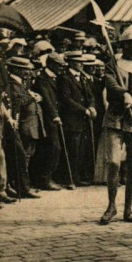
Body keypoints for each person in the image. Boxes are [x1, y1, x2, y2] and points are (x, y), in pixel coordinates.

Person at [97, 26, 132, 225]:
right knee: (113, 162)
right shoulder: (113, 63)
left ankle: (129, 208)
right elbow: (110, 85)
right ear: (125, 45)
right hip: (115, 117)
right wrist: (124, 93)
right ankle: (112, 205)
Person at [5, 56, 45, 199]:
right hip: (20, 125)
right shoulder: (11, 84)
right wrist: (32, 97)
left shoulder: (22, 83)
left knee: (26, 156)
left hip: (27, 124)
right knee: (21, 157)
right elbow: (18, 102)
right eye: (25, 70)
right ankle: (22, 187)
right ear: (16, 70)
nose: (28, 73)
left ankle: (22, 185)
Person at [57, 51, 97, 189]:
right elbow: (66, 99)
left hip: (83, 120)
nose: (82, 64)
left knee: (81, 150)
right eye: (79, 62)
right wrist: (84, 110)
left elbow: (91, 95)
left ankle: (77, 177)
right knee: (71, 150)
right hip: (71, 119)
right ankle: (68, 179)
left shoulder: (83, 78)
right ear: (72, 63)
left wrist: (91, 107)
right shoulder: (64, 78)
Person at [31, 53, 68, 191]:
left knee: (52, 148)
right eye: (59, 65)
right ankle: (44, 179)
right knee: (53, 148)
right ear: (51, 64)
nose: (61, 68)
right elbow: (46, 99)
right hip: (47, 119)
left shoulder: (55, 78)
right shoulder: (42, 79)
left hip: (54, 118)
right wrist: (54, 115)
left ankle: (47, 178)